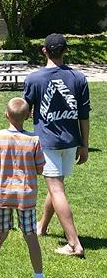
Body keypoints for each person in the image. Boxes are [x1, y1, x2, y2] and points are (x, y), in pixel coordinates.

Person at [23, 33, 90, 258]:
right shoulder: (79, 78)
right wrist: (84, 144)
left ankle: (74, 244)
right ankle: (42, 226)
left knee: (56, 189)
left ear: (44, 51)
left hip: (48, 142)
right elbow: (84, 115)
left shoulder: (34, 78)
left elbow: (24, 111)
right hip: (71, 141)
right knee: (57, 185)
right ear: (65, 50)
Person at [0, 98, 47, 278]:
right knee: (30, 235)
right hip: (26, 196)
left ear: (6, 115)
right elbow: (40, 169)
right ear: (29, 116)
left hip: (2, 194)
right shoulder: (34, 139)